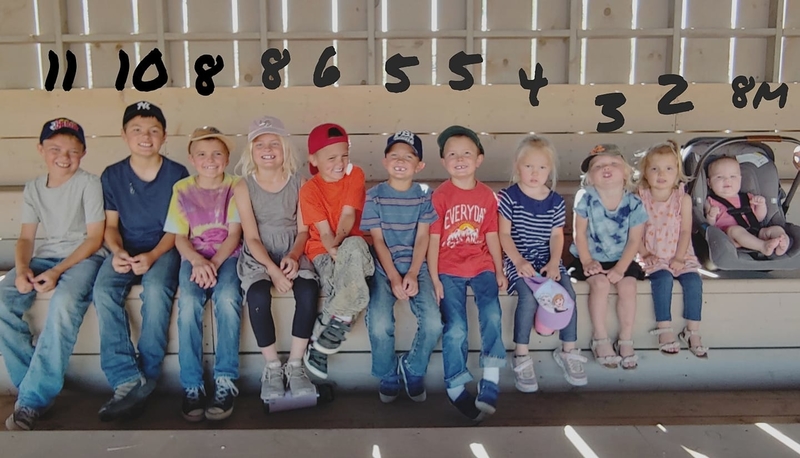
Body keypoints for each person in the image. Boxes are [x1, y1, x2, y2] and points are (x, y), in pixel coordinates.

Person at [0, 119, 108, 430]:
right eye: (56, 149)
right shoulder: (34, 187)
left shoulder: (89, 184)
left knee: (63, 303)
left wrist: (59, 271)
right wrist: (21, 270)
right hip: (46, 258)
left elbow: (94, 238)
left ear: (84, 153)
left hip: (85, 258)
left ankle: (31, 401)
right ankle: (32, 392)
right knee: (5, 299)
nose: (64, 156)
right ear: (41, 149)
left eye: (73, 151)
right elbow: (25, 239)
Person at [93, 101, 189, 421]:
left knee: (158, 287)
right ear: (124, 135)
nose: (145, 136)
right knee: (104, 288)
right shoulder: (112, 175)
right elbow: (109, 227)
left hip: (164, 246)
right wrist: (118, 252)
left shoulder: (177, 174)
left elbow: (178, 229)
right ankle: (126, 378)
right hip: (126, 246)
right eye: (136, 129)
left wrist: (153, 255)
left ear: (163, 136)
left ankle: (146, 377)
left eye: (153, 130)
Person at [233, 116, 320, 402]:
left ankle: (295, 366)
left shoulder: (299, 182)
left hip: (293, 248)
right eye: (260, 145)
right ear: (251, 151)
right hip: (260, 254)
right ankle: (272, 366)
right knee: (258, 296)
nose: (268, 149)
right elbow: (252, 237)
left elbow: (304, 229)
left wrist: (294, 256)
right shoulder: (244, 186)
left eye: (274, 144)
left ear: (284, 148)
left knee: (307, 291)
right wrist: (272, 270)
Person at [497, 135, 587, 392]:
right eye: (529, 166)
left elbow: (556, 235)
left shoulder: (555, 201)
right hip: (519, 259)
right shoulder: (509, 197)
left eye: (542, 168)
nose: (535, 173)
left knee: (567, 293)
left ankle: (568, 349)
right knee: (527, 296)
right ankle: (522, 354)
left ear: (550, 170)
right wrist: (517, 260)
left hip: (547, 259)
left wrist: (554, 262)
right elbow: (504, 234)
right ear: (517, 166)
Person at [165, 126, 244, 421]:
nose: (209, 160)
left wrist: (214, 263)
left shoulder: (236, 185)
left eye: (217, 153)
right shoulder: (182, 188)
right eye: (201, 154)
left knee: (226, 298)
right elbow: (180, 237)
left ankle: (225, 380)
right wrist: (198, 262)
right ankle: (192, 385)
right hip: (194, 257)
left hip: (228, 256)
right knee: (187, 304)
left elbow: (235, 234)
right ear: (191, 158)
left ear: (227, 156)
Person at [428, 125, 506, 421]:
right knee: (457, 326)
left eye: (466, 153)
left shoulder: (487, 196)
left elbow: (491, 236)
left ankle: (491, 376)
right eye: (452, 154)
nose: (459, 159)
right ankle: (455, 383)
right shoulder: (441, 196)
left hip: (482, 265)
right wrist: (435, 277)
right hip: (448, 268)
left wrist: (499, 270)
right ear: (443, 161)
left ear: (479, 159)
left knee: (492, 314)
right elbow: (433, 239)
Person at [362, 131, 442, 403]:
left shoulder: (424, 195)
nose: (400, 161)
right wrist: (395, 277)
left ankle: (413, 367)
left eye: (408, 157)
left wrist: (412, 273)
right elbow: (378, 241)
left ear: (419, 166)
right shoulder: (373, 197)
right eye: (394, 155)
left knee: (433, 322)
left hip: (416, 266)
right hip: (384, 268)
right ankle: (387, 373)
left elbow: (423, 237)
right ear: (385, 161)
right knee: (379, 322)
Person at [299, 123, 375, 380]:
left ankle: (320, 335)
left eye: (344, 155)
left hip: (353, 247)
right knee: (346, 285)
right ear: (314, 159)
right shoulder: (309, 190)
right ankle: (325, 338)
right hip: (322, 249)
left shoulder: (356, 175)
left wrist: (339, 249)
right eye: (331, 158)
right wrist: (333, 250)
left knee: (353, 248)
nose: (340, 162)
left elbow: (348, 216)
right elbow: (324, 232)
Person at [569, 144, 647, 370]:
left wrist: (621, 269)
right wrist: (586, 261)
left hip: (622, 259)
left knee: (628, 287)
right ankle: (600, 338)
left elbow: (635, 240)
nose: (606, 168)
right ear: (590, 177)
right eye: (598, 166)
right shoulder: (585, 197)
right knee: (601, 284)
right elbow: (579, 233)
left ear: (625, 172)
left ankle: (625, 338)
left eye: (613, 163)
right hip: (589, 258)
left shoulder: (634, 203)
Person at [637, 140, 708, 358]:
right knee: (663, 279)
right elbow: (635, 233)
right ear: (645, 172)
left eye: (669, 168)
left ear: (677, 171)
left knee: (694, 281)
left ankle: (692, 330)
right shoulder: (641, 198)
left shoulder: (682, 199)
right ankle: (664, 328)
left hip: (680, 253)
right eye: (655, 168)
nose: (662, 174)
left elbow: (686, 231)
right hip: (651, 253)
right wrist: (645, 253)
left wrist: (679, 257)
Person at [705, 156, 790, 257]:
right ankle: (763, 246)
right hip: (730, 238)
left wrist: (761, 205)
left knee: (777, 229)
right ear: (709, 183)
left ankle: (782, 243)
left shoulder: (748, 197)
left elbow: (759, 217)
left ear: (740, 179)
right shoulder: (711, 201)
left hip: (755, 232)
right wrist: (711, 215)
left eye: (733, 176)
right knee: (735, 230)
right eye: (719, 177)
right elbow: (709, 225)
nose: (727, 180)